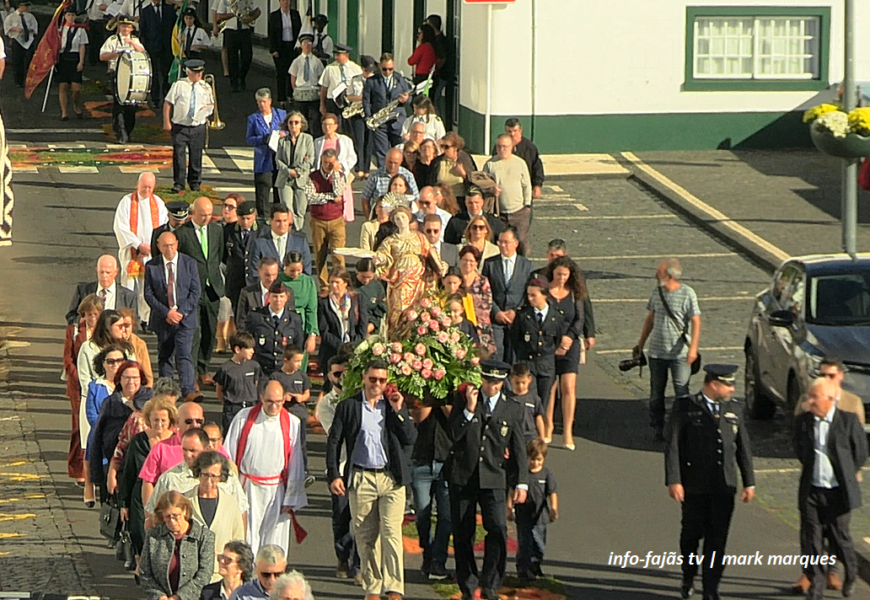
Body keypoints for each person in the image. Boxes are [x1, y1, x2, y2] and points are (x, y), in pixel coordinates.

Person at [326, 360, 417, 600]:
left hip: (390, 478)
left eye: (382, 380)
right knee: (366, 535)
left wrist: (398, 411)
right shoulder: (349, 406)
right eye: (373, 379)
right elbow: (334, 441)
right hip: (362, 476)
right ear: (364, 379)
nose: (377, 384)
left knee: (391, 532)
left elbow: (410, 438)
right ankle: (373, 587)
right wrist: (334, 474)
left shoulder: (392, 405)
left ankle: (395, 586)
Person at [665, 364, 755, 600]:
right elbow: (673, 446)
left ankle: (711, 589)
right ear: (714, 384)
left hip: (724, 486)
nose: (732, 389)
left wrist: (749, 482)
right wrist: (674, 480)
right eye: (728, 384)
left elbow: (742, 447)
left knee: (718, 539)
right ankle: (688, 574)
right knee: (691, 537)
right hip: (694, 485)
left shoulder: (734, 409)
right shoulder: (686, 407)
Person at [446, 359, 527, 600]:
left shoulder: (512, 408)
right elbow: (453, 434)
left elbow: (519, 447)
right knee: (463, 533)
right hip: (464, 476)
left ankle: (491, 583)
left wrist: (521, 482)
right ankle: (468, 585)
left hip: (494, 477)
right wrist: (469, 410)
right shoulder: (465, 399)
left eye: (496, 382)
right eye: (487, 381)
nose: (490, 387)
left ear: (503, 382)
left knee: (498, 529)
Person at [794, 377, 867, 600]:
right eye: (809, 396)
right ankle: (816, 585)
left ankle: (851, 573)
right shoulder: (804, 422)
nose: (810, 401)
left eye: (815, 397)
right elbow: (799, 447)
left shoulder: (848, 421)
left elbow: (860, 452)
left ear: (830, 399)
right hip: (812, 490)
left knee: (840, 538)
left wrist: (846, 472)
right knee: (812, 540)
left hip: (838, 491)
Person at [226, 380, 307, 555]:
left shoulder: (292, 423)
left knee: (274, 540)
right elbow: (229, 455)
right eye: (269, 401)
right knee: (247, 536)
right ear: (261, 397)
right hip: (247, 488)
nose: (274, 406)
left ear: (284, 399)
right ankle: (249, 577)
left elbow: (296, 461)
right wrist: (230, 490)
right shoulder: (243, 417)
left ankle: (272, 578)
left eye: (278, 402)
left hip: (276, 491)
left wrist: (291, 498)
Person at [636, 258, 701, 442]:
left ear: (670, 276)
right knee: (656, 393)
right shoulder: (656, 292)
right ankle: (657, 426)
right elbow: (650, 318)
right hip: (656, 352)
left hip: (679, 354)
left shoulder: (688, 294)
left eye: (660, 272)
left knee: (682, 391)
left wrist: (693, 348)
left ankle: (683, 428)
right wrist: (640, 344)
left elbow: (696, 321)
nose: (656, 275)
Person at [314, 355, 359, 580]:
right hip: (340, 467)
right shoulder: (326, 405)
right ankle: (343, 556)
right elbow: (339, 435)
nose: (341, 377)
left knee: (363, 517)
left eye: (345, 372)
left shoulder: (362, 398)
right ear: (329, 376)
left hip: (362, 466)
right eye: (337, 374)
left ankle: (360, 563)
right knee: (342, 516)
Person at [144, 231, 203, 404]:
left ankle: (188, 390)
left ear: (176, 244)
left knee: (184, 354)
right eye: (165, 246)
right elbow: (149, 294)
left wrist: (181, 312)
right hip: (163, 319)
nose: (169, 249)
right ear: (158, 246)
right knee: (165, 354)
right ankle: (166, 390)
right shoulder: (152, 266)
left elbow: (195, 291)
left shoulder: (189, 263)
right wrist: (167, 312)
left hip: (185, 319)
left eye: (171, 245)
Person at [143, 428, 247, 525]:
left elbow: (241, 511)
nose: (188, 455)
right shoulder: (170, 478)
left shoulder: (227, 477)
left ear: (206, 449)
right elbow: (153, 513)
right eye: (184, 450)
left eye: (193, 451)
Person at [118, 395, 177, 563]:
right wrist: (123, 503)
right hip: (140, 496)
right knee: (141, 535)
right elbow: (128, 472)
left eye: (163, 420)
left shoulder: (177, 443)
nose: (159, 424)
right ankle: (141, 567)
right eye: (155, 420)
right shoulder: (139, 441)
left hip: (167, 496)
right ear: (148, 420)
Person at [176, 197, 225, 389]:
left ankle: (204, 368)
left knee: (210, 331)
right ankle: (192, 375)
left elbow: (217, 256)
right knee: (193, 333)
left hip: (212, 288)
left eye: (210, 214)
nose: (207, 218)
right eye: (203, 215)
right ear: (193, 213)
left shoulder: (216, 230)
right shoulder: (183, 233)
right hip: (191, 291)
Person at [373, 206, 445, 334]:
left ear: (408, 218)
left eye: (403, 217)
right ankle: (398, 334)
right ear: (394, 221)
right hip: (399, 279)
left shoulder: (419, 237)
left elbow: (430, 253)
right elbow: (384, 255)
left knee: (417, 306)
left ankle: (415, 333)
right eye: (397, 218)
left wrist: (440, 265)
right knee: (400, 307)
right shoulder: (390, 241)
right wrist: (380, 259)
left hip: (418, 277)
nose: (401, 220)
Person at [89, 361, 153, 503]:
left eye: (135, 378)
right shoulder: (110, 402)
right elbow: (97, 436)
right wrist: (96, 475)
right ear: (120, 379)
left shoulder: (151, 401)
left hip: (143, 465)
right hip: (115, 463)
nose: (131, 382)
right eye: (127, 377)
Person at [409, 383, 453, 581]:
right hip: (422, 459)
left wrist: (442, 395)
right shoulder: (419, 387)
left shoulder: (454, 391)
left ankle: (439, 559)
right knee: (422, 514)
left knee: (447, 516)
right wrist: (429, 394)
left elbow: (455, 417)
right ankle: (427, 553)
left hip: (447, 461)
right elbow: (419, 416)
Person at [543, 256, 588, 448]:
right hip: (549, 343)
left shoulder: (574, 293)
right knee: (550, 387)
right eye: (558, 274)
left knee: (568, 387)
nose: (561, 278)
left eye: (565, 275)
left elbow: (579, 319)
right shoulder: (545, 291)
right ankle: (548, 426)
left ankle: (568, 431)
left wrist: (569, 337)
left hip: (570, 345)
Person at [113, 172, 168, 325]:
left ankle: (146, 318)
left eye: (150, 187)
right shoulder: (127, 202)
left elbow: (163, 228)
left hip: (151, 254)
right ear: (137, 185)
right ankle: (128, 317)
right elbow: (121, 227)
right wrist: (138, 245)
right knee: (130, 287)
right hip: (132, 254)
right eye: (144, 187)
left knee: (148, 288)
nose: (147, 190)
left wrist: (153, 246)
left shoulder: (158, 204)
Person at [140, 491, 216, 600]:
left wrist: (179, 597)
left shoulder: (204, 536)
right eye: (167, 517)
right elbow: (144, 572)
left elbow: (205, 574)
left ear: (185, 511)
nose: (172, 521)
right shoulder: (153, 535)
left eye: (176, 516)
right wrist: (159, 596)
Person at [512, 279, 569, 415]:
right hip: (528, 363)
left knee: (542, 404)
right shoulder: (523, 315)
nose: (530, 299)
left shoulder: (556, 316)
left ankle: (539, 432)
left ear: (544, 295)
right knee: (527, 402)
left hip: (546, 365)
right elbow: (515, 339)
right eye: (528, 295)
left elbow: (557, 340)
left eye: (534, 295)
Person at [185, 451, 245, 581]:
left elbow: (238, 540)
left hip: (220, 575)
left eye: (214, 476)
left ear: (221, 477)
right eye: (205, 475)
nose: (208, 481)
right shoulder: (185, 501)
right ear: (198, 473)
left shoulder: (230, 503)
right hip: (190, 576)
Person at [64, 294, 103, 485]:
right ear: (83, 314)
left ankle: (94, 469)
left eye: (96, 314)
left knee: (97, 429)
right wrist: (79, 376)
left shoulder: (104, 334)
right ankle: (77, 469)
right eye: (89, 314)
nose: (92, 318)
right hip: (77, 388)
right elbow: (68, 360)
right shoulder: (73, 331)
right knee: (79, 429)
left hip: (99, 387)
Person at [507, 439, 557, 582]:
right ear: (527, 457)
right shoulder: (521, 474)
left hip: (540, 517)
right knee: (524, 543)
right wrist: (509, 508)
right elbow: (511, 492)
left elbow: (552, 492)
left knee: (539, 544)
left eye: (539, 460)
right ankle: (523, 569)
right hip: (523, 516)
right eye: (533, 459)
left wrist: (554, 508)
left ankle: (536, 566)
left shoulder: (546, 474)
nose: (536, 463)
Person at [163, 60, 215, 194]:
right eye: (196, 73)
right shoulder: (179, 85)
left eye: (200, 72)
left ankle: (195, 182)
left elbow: (211, 104)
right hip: (180, 126)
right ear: (188, 72)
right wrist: (166, 122)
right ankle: (179, 183)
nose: (199, 75)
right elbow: (168, 103)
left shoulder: (205, 87)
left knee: (196, 155)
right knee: (179, 156)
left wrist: (206, 112)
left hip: (198, 126)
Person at [482, 227, 532, 363]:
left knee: (514, 357)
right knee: (497, 354)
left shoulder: (526, 265)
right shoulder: (490, 263)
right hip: (496, 318)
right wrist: (497, 312)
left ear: (516, 244)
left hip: (517, 319)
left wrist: (516, 312)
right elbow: (486, 292)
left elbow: (528, 294)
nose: (503, 246)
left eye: (506, 242)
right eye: (500, 242)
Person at [99, 16, 145, 142]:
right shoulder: (112, 40)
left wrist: (133, 44)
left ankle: (128, 131)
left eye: (128, 26)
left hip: (132, 75)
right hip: (116, 74)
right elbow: (102, 56)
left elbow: (143, 53)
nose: (125, 28)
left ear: (132, 28)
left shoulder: (135, 40)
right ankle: (121, 133)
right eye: (123, 26)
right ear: (119, 27)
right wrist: (115, 54)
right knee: (119, 103)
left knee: (131, 105)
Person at [307, 148, 348, 290]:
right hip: (318, 220)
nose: (327, 165)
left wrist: (336, 173)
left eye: (331, 163)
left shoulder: (340, 175)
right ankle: (324, 284)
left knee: (338, 253)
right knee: (320, 254)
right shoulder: (313, 176)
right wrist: (330, 197)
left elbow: (338, 191)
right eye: (325, 162)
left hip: (336, 220)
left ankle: (340, 282)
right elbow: (311, 197)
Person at [245, 282, 305, 376]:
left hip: (285, 370)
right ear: (268, 297)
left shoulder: (294, 318)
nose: (278, 300)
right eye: (275, 296)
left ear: (286, 298)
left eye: (281, 297)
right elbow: (247, 343)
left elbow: (298, 345)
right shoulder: (256, 317)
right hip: (261, 370)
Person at [485, 135, 533, 253]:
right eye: (499, 146)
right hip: (499, 213)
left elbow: (526, 185)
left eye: (505, 147)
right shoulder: (490, 164)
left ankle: (521, 267)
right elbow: (483, 184)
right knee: (500, 243)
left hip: (519, 212)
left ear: (511, 147)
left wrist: (527, 205)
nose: (502, 149)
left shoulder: (520, 163)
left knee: (520, 242)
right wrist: (491, 190)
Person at [364, 53, 411, 169]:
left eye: (390, 69)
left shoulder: (400, 79)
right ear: (380, 66)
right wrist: (369, 118)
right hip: (380, 122)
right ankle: (383, 174)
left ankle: (399, 173)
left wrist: (406, 100)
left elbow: (410, 99)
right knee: (382, 152)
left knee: (399, 149)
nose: (388, 72)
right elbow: (366, 101)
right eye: (384, 69)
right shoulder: (371, 81)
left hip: (397, 121)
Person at [317, 267, 367, 376]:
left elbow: (362, 327)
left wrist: (352, 346)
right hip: (331, 352)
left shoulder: (357, 299)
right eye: (331, 282)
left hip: (354, 349)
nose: (334, 285)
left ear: (345, 283)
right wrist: (341, 347)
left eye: (337, 282)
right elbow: (324, 331)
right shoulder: (323, 302)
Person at [246, 88, 287, 215]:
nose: (261, 105)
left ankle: (279, 215)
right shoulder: (253, 118)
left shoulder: (281, 114)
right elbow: (249, 139)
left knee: (279, 189)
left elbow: (290, 131)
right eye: (258, 102)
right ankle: (263, 218)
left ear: (270, 101)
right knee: (263, 189)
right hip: (263, 159)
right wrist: (263, 139)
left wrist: (283, 133)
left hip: (279, 157)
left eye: (263, 101)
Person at [66, 255, 138, 326]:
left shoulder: (128, 297)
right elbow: (71, 316)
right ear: (97, 270)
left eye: (108, 272)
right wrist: (81, 321)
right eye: (101, 272)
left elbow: (133, 324)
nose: (104, 276)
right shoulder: (83, 291)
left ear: (116, 272)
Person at [247, 204, 312, 281]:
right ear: (270, 221)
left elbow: (307, 272)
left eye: (285, 221)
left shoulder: (300, 242)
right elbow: (254, 273)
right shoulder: (259, 244)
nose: (282, 224)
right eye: (278, 221)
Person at [215, 331, 262, 434]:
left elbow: (255, 384)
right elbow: (219, 390)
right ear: (237, 349)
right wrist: (228, 403)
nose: (252, 351)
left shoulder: (254, 366)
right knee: (230, 434)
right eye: (249, 348)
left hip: (251, 406)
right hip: (232, 408)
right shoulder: (225, 369)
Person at [225, 201, 266, 319]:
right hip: (236, 283)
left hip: (256, 281)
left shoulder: (263, 231)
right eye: (242, 218)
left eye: (249, 218)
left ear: (255, 216)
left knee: (257, 315)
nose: (245, 222)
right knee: (239, 316)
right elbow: (224, 255)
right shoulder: (229, 230)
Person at [313, 112, 356, 225]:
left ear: (336, 126)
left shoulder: (345, 140)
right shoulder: (317, 142)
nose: (327, 127)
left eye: (330, 125)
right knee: (326, 206)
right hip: (324, 178)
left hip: (340, 177)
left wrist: (341, 166)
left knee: (341, 204)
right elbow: (315, 160)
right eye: (325, 124)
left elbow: (353, 158)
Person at [275, 111, 315, 229]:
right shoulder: (282, 141)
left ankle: (298, 231)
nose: (293, 125)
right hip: (285, 178)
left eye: (296, 123)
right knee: (287, 208)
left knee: (300, 209)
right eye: (290, 123)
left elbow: (310, 159)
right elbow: (278, 160)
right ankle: (289, 232)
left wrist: (298, 170)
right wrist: (289, 171)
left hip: (301, 178)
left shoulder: (307, 139)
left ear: (301, 125)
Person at [277, 252, 319, 361]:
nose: (295, 274)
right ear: (285, 265)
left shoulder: (308, 281)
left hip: (301, 327)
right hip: (283, 325)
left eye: (299, 270)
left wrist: (312, 335)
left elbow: (311, 310)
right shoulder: (278, 280)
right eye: (292, 270)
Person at [457, 246, 496, 357]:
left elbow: (487, 305)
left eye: (471, 261)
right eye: (465, 260)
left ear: (476, 263)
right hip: (459, 326)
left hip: (480, 328)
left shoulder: (483, 281)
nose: (468, 263)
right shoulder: (455, 280)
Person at [360, 148, 420, 220]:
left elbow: (416, 199)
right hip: (381, 218)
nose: (392, 165)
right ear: (385, 160)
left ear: (401, 161)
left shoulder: (408, 175)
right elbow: (365, 199)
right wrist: (369, 219)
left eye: (395, 163)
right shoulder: (375, 176)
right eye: (390, 162)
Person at [214, 0, 260, 93]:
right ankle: (234, 83)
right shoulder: (225, 1)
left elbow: (257, 11)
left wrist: (251, 18)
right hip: (230, 31)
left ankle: (241, 76)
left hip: (244, 30)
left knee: (247, 56)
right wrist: (234, 14)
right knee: (232, 57)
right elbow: (219, 16)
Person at [496, 119, 544, 201]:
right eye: (509, 131)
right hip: (504, 189)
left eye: (515, 131)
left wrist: (537, 185)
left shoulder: (529, 148)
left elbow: (537, 167)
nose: (512, 134)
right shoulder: (500, 147)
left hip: (524, 187)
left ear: (520, 130)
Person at [138, 0, 175, 106]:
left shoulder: (169, 10)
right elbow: (143, 30)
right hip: (152, 47)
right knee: (154, 74)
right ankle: (155, 98)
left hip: (167, 47)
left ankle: (167, 96)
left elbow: (174, 28)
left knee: (166, 73)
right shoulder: (145, 11)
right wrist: (145, 47)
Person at [236, 257, 286, 331]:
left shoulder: (285, 292)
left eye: (274, 275)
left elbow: (290, 321)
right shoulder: (247, 293)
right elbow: (241, 323)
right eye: (267, 275)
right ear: (259, 272)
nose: (271, 279)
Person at [289, 32, 324, 134]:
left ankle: (315, 135)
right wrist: (295, 89)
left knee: (315, 117)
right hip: (301, 92)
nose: (307, 46)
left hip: (313, 91)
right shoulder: (297, 61)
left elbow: (320, 77)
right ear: (301, 45)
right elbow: (293, 77)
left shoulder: (317, 61)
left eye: (309, 43)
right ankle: (303, 135)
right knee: (301, 116)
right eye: (304, 43)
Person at [266, 0, 300, 105]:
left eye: (287, 1)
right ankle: (282, 98)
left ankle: (291, 95)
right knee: (281, 73)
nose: (285, 3)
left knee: (292, 72)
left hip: (292, 47)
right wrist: (273, 49)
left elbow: (298, 30)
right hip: (280, 48)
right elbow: (271, 33)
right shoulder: (274, 16)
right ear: (280, 2)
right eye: (283, 1)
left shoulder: (295, 14)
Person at [318, 43, 360, 128]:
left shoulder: (356, 69)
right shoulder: (329, 68)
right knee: (334, 126)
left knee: (349, 127)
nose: (335, 57)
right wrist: (322, 104)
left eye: (338, 55)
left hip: (349, 102)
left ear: (346, 55)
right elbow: (324, 87)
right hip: (332, 102)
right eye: (335, 54)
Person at [57, 7, 88, 121]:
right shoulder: (60, 29)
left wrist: (81, 61)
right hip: (62, 58)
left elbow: (82, 46)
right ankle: (64, 112)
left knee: (76, 88)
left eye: (72, 15)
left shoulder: (80, 29)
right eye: (68, 15)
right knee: (63, 86)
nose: (70, 17)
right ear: (65, 16)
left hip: (74, 58)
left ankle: (76, 105)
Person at [430, 133, 476, 203]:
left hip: (460, 202)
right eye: (442, 146)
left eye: (446, 147)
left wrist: (464, 175)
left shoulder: (465, 159)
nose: (443, 149)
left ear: (455, 148)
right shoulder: (437, 162)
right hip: (441, 201)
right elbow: (430, 182)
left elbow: (475, 182)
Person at [509, 363, 545, 442]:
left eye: (523, 382)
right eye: (517, 383)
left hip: (530, 436)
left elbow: (538, 419)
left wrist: (542, 439)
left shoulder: (534, 399)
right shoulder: (507, 398)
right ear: (511, 380)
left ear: (530, 379)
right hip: (512, 435)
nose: (520, 386)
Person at [4, 1, 36, 88]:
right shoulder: (11, 17)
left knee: (29, 60)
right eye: (25, 6)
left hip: (28, 40)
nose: (27, 8)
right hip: (17, 40)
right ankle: (19, 80)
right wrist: (15, 29)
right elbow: (6, 28)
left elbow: (35, 27)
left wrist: (28, 30)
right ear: (20, 6)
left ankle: (29, 79)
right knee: (18, 61)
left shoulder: (30, 16)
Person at [353, 258, 387, 335]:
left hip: (369, 327)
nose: (366, 280)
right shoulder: (348, 283)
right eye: (363, 277)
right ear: (357, 271)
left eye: (369, 277)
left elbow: (380, 311)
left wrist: (368, 329)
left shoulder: (377, 287)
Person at [407, 22, 437, 86]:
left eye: (420, 33)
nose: (418, 35)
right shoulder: (433, 46)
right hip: (432, 75)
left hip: (421, 76)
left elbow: (411, 61)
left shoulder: (423, 47)